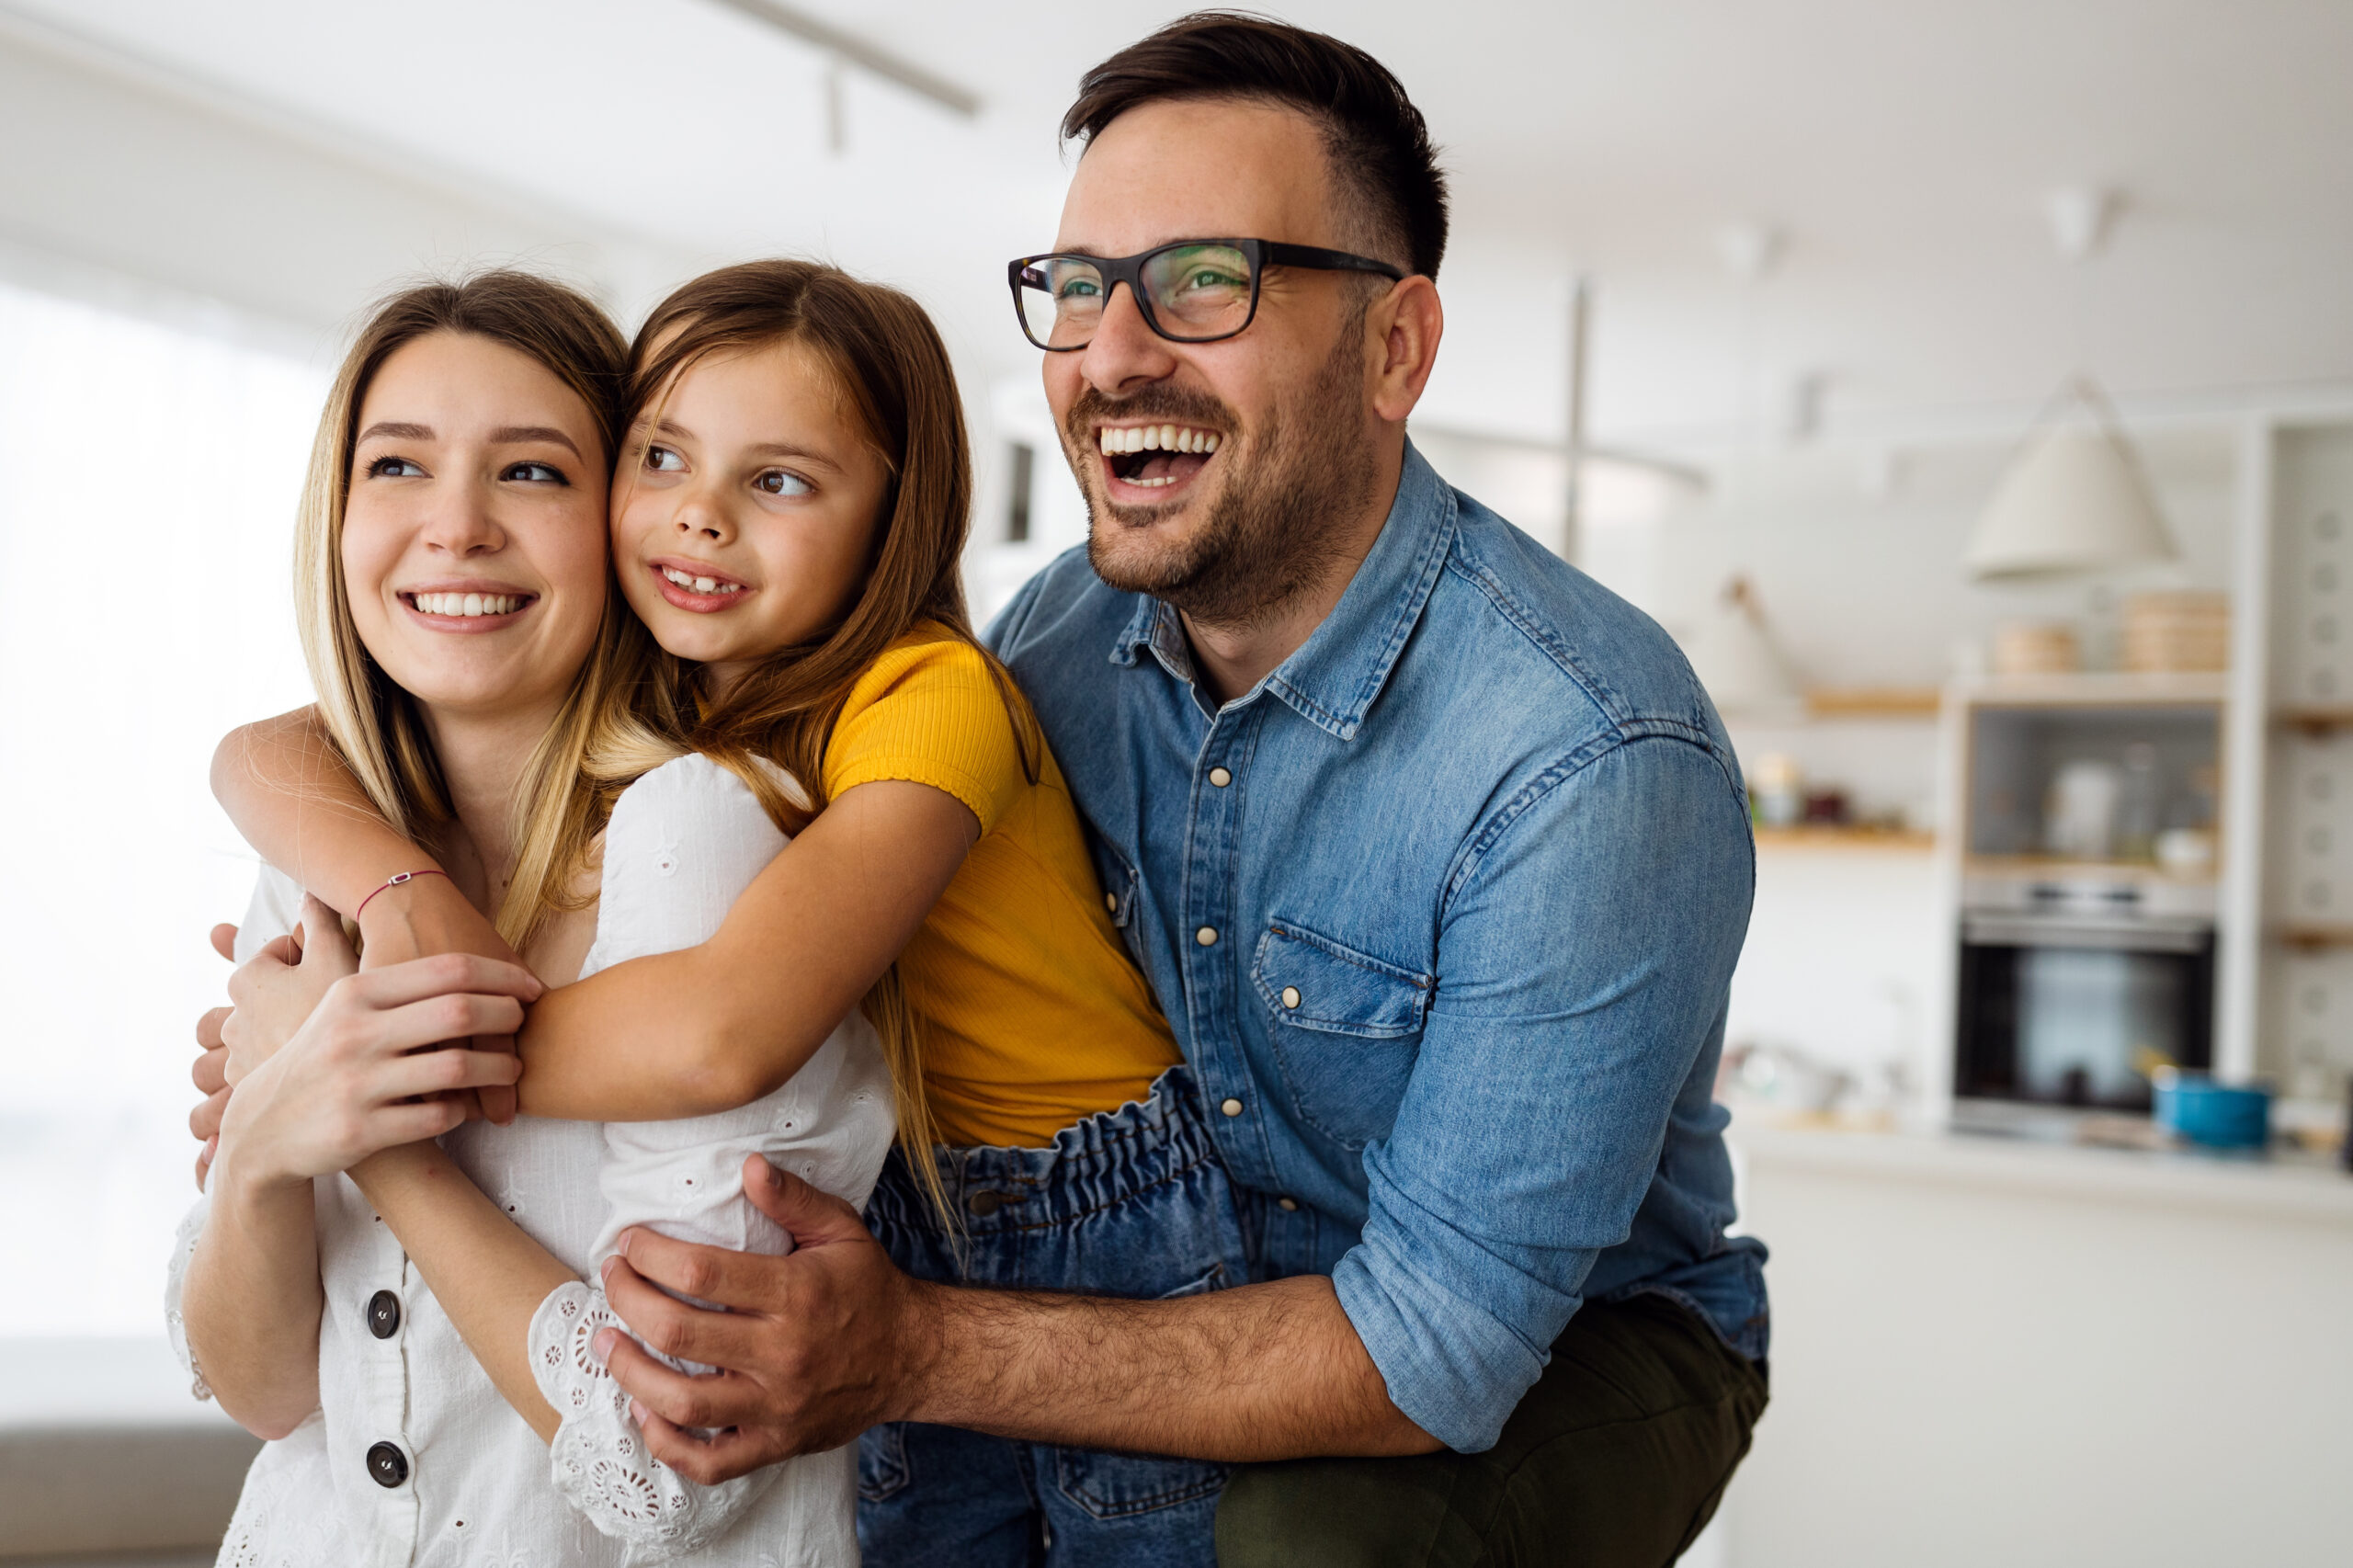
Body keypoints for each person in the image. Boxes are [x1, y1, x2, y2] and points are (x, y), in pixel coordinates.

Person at [562, 16, 1772, 1568]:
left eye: (1206, 281)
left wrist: (915, 1345)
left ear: (1394, 349)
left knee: (1305, 1535)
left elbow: (1434, 1351)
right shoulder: (1059, 633)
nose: (1114, 354)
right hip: (1134, 1276)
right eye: (1078, 291)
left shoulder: (1590, 757)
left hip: (1570, 1340)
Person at [194, 260, 1248, 1563]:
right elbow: (266, 748)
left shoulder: (849, 741)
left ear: (892, 522)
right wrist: (284, 1103)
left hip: (1096, 1211)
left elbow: (725, 1030)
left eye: (531, 469)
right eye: (667, 460)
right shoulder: (360, 840)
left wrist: (363, 1073)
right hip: (929, 1215)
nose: (700, 520)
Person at [173, 267, 900, 1565]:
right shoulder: (324, 861)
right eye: (397, 466)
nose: (454, 526)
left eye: (531, 472)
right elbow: (270, 1395)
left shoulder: (703, 847)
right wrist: (271, 1146)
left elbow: (668, 1463)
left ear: (627, 515)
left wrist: (361, 1118)